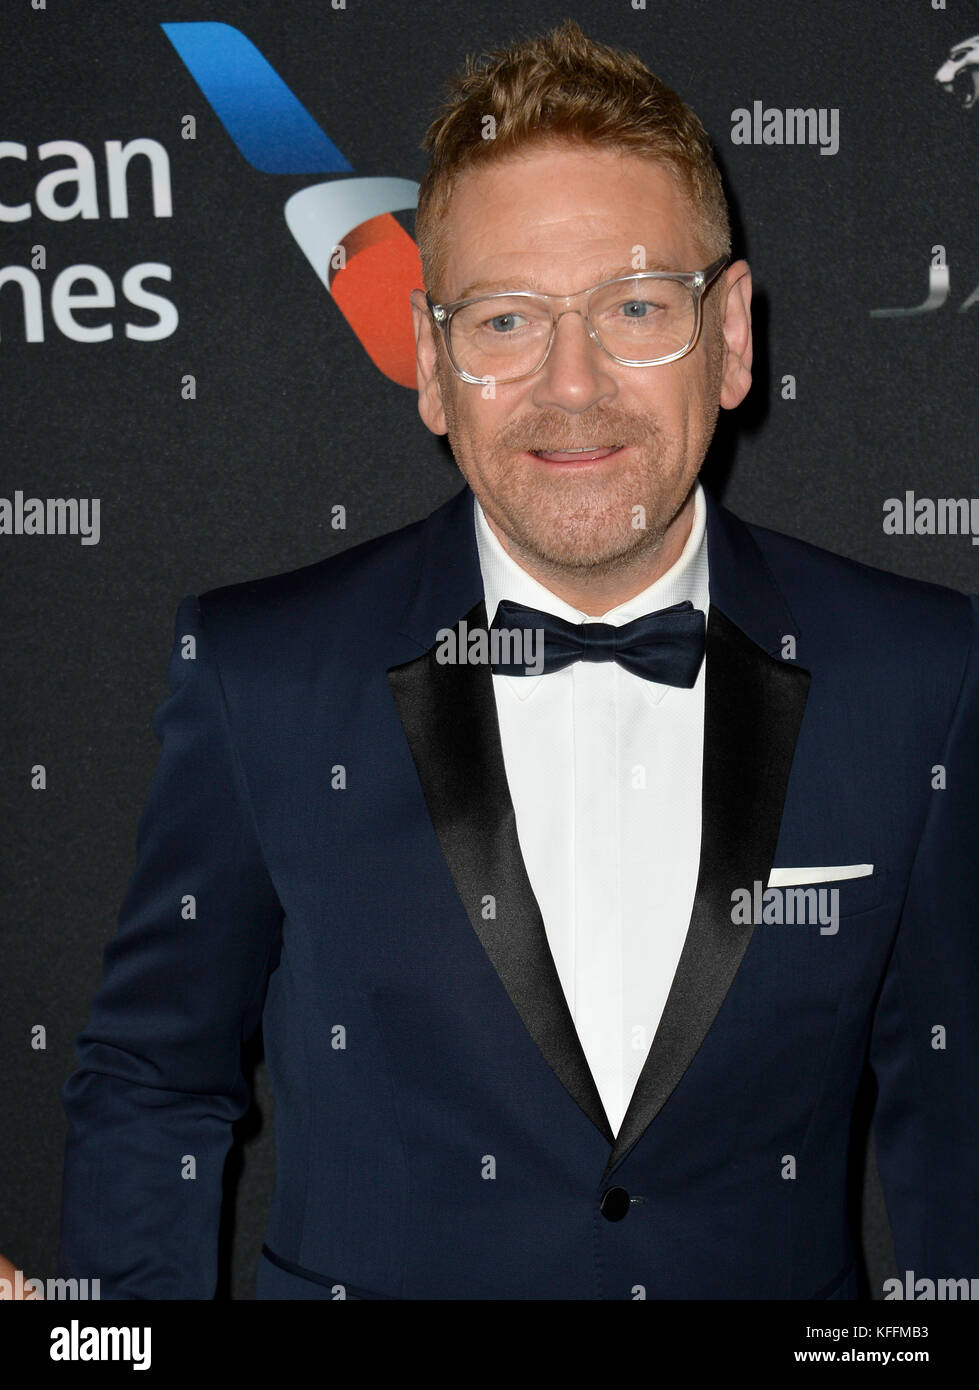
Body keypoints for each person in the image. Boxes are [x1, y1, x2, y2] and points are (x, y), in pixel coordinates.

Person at [58, 19, 978, 1300]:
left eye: (636, 308)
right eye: (504, 321)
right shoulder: (260, 671)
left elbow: (958, 1121)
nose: (572, 385)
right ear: (431, 364)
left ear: (731, 338)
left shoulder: (919, 678)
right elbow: (157, 1076)